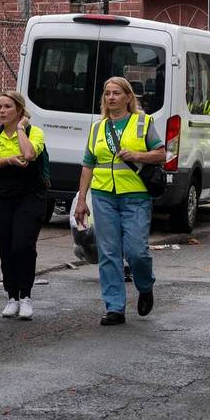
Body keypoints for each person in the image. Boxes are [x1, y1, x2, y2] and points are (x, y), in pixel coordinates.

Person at [74, 77, 166, 325]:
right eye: (107, 93)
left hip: (135, 197)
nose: (111, 97)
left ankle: (145, 286)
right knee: (109, 253)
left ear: (128, 97)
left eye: (116, 93)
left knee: (136, 252)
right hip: (104, 197)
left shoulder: (143, 123)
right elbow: (88, 165)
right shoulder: (97, 128)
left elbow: (161, 153)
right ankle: (115, 307)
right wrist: (82, 200)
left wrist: (137, 155)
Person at [0, 90, 47, 320]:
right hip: (2, 197)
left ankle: (25, 296)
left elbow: (28, 153)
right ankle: (12, 296)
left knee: (23, 245)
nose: (2, 111)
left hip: (30, 196)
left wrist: (19, 130)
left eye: (7, 107)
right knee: (6, 247)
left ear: (19, 110)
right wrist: (7, 160)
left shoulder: (34, 132)